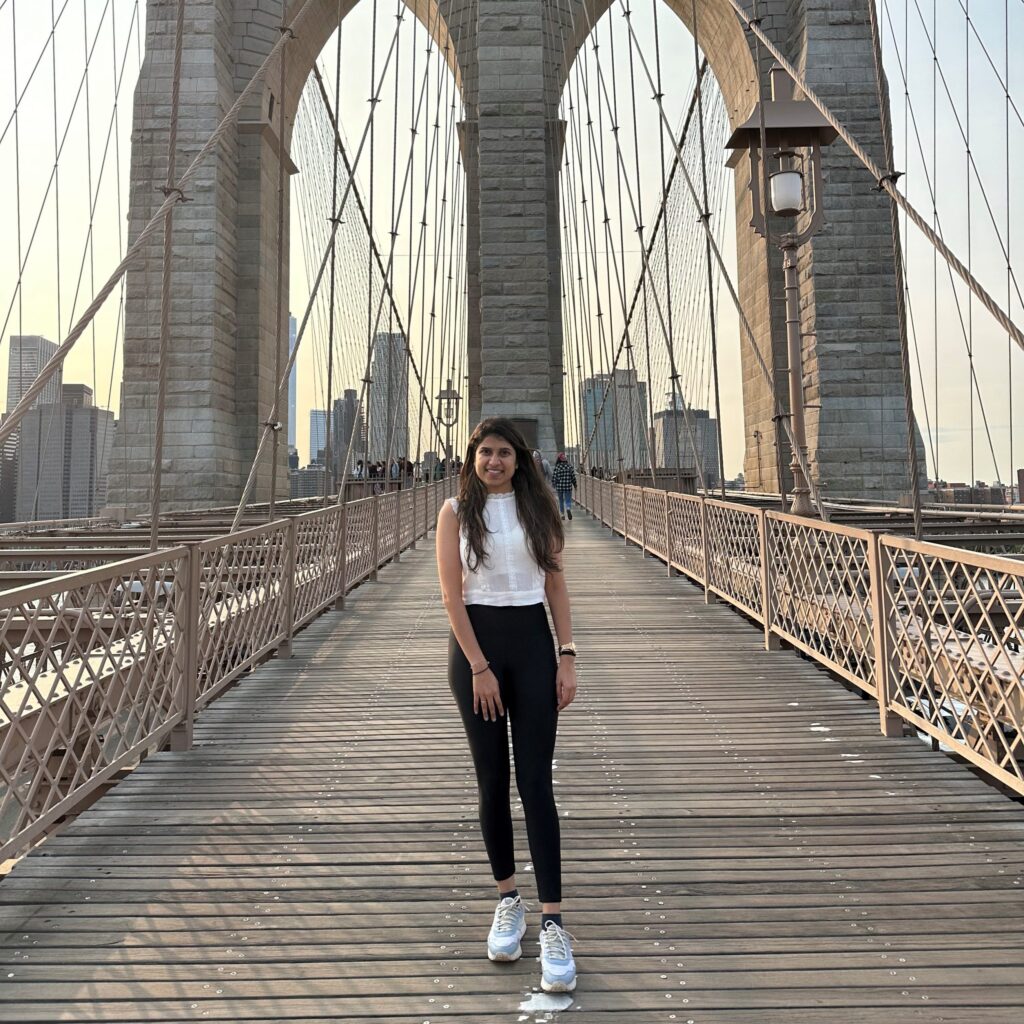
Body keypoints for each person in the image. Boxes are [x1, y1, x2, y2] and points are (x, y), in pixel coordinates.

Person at [436, 417, 578, 993]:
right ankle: (507, 899)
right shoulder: (453, 513)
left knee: (535, 782)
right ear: (473, 457)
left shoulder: (537, 511)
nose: (494, 461)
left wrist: (567, 653)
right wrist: (478, 666)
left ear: (520, 461)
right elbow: (450, 593)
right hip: (474, 653)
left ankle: (553, 921)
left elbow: (556, 584)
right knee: (492, 781)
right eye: (485, 452)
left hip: (532, 648)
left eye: (504, 453)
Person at [551, 453, 577, 521]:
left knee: (561, 501)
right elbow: (573, 477)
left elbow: (554, 477)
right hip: (568, 486)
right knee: (568, 500)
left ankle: (562, 514)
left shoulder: (557, 467)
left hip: (559, 487)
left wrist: (553, 484)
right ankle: (568, 508)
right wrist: (575, 485)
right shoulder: (569, 467)